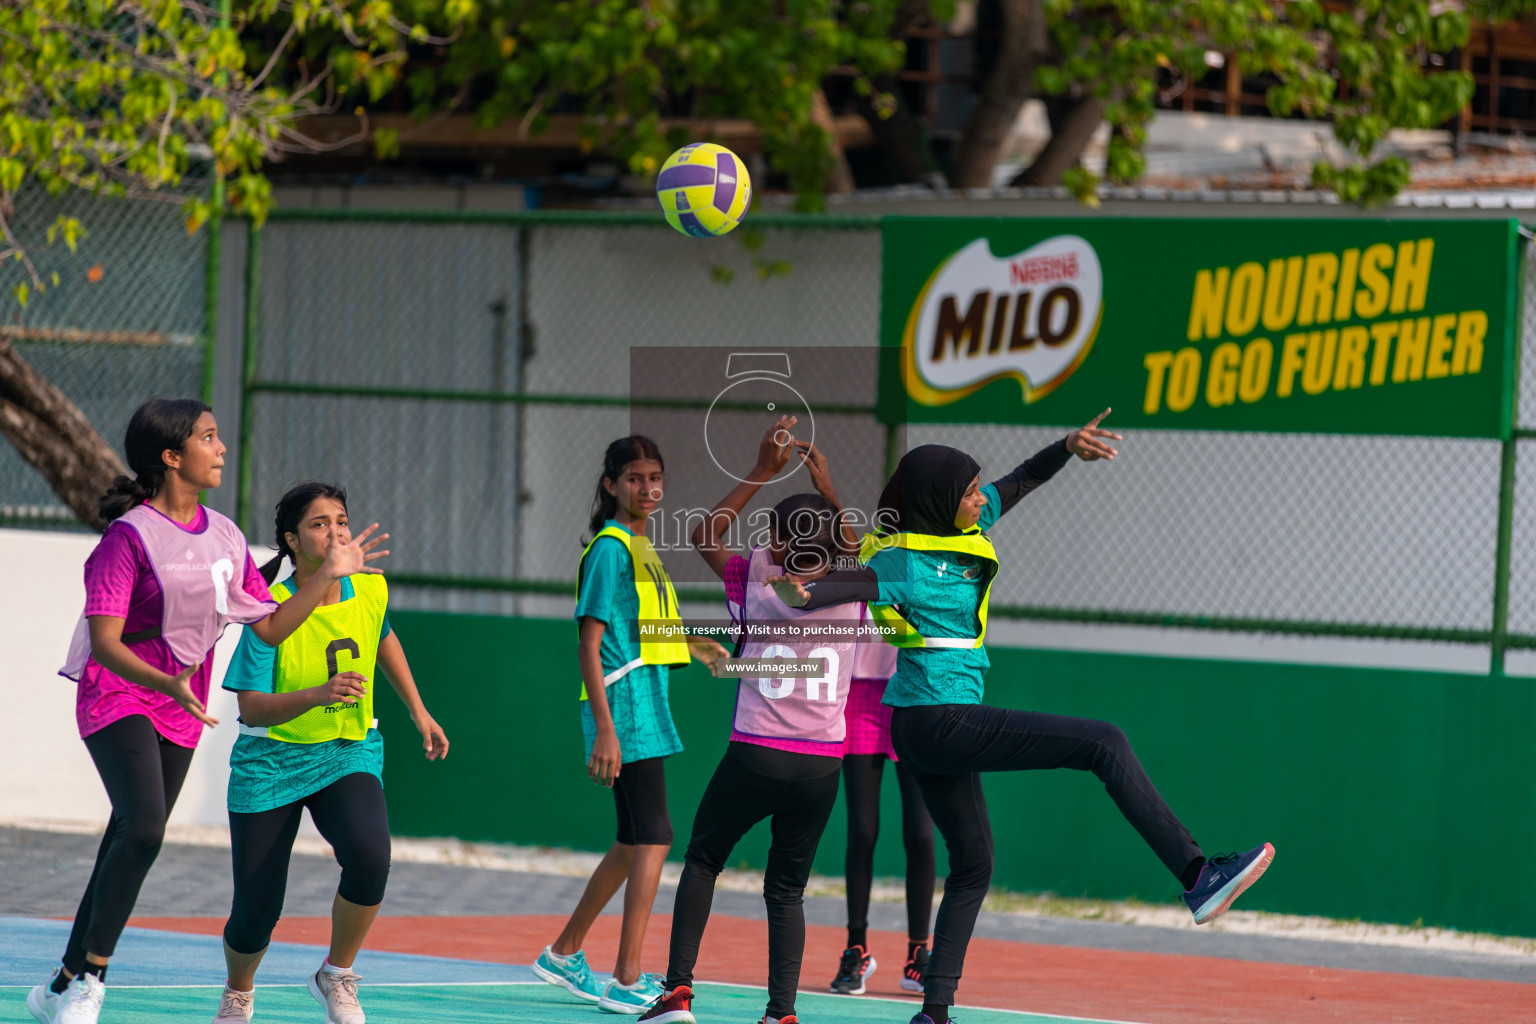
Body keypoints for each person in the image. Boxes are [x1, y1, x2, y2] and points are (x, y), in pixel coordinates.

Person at [768, 410, 1275, 1024]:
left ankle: (934, 1010)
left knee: (974, 862)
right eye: (967, 490)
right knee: (1103, 743)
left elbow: (1023, 479)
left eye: (977, 485)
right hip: (937, 721)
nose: (980, 496)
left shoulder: (970, 521)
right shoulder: (904, 561)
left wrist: (1067, 445)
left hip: (925, 725)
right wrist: (803, 591)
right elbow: (847, 584)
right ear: (935, 501)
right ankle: (1198, 875)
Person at [29, 399, 383, 1024]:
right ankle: (91, 982)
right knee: (144, 828)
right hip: (118, 689)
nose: (221, 450)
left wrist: (325, 576)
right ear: (172, 456)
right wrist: (165, 680)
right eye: (209, 439)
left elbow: (270, 627)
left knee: (129, 834)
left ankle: (63, 978)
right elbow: (107, 643)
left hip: (180, 701)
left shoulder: (223, 536)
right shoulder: (128, 536)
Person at [641, 416, 864, 1024]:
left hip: (757, 751)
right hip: (821, 764)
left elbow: (704, 535)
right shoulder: (857, 588)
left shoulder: (757, 580)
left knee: (705, 860)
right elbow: (851, 547)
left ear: (777, 541)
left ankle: (678, 993)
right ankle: (781, 1013)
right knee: (786, 889)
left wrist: (761, 473)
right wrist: (831, 494)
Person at [209, 482, 448, 1024]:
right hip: (271, 761)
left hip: (346, 749)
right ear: (292, 541)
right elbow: (252, 710)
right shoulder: (268, 610)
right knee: (257, 909)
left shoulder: (369, 588)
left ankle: (336, 974)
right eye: (320, 524)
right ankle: (239, 990)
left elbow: (381, 635)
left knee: (370, 857)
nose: (336, 531)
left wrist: (417, 707)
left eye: (341, 520)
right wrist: (318, 694)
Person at [532, 435, 727, 1016]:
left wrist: (694, 645)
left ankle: (564, 953)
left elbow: (640, 629)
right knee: (655, 836)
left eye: (656, 478)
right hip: (625, 707)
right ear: (612, 484)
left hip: (644, 700)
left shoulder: (640, 548)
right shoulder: (612, 549)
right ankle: (626, 976)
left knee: (631, 841)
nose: (648, 489)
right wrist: (607, 727)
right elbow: (589, 644)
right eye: (636, 478)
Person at [828, 630, 935, 997]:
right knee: (862, 830)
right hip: (858, 692)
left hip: (914, 688)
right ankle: (857, 947)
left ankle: (918, 954)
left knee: (921, 834)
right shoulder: (849, 567)